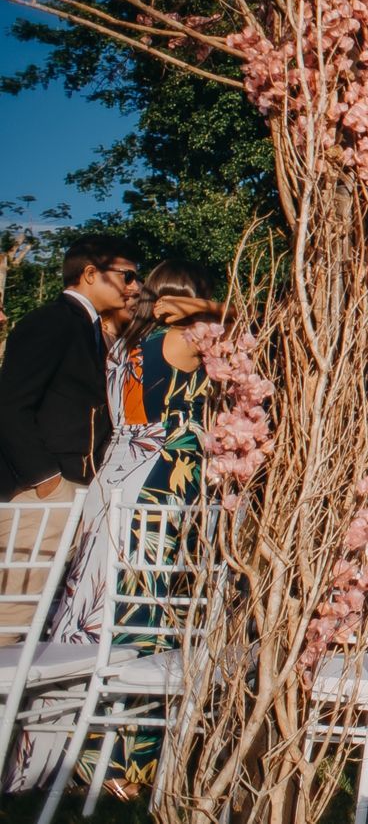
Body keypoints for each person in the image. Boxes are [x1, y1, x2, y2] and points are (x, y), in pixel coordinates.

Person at [7, 258, 215, 795]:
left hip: (117, 475)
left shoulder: (122, 344)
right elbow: (246, 319)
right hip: (159, 481)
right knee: (140, 611)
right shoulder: (183, 339)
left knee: (96, 604)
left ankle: (68, 753)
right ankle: (117, 762)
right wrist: (201, 308)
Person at [0, 236, 140, 514]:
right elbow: (10, 404)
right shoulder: (51, 321)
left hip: (78, 488)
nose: (133, 287)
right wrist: (46, 479)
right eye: (126, 276)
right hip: (39, 495)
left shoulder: (89, 328)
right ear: (90, 274)